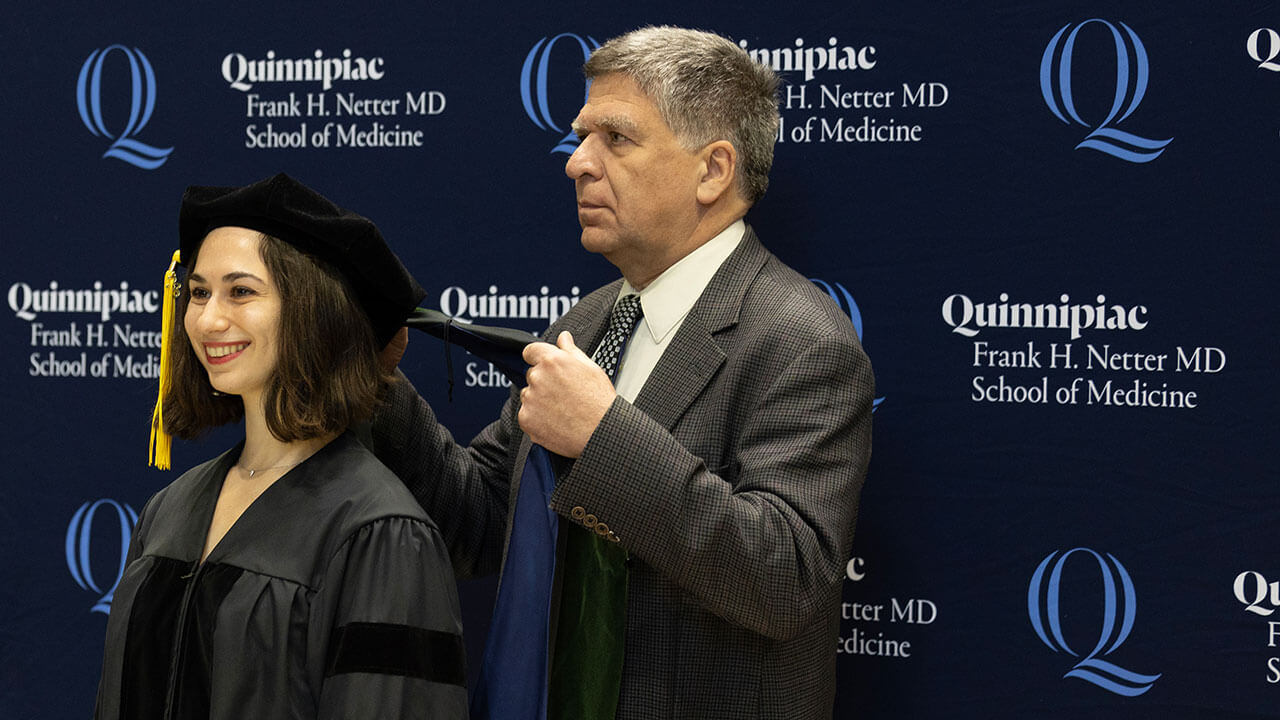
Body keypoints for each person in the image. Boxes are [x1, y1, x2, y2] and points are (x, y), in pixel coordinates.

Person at [371, 26, 873, 720]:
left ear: (713, 170)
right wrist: (373, 386)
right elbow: (482, 521)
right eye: (581, 137)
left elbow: (784, 580)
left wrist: (602, 435)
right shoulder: (588, 323)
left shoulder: (800, 340)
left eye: (616, 138)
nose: (577, 163)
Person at [94, 173, 468, 720]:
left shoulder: (380, 533)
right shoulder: (169, 510)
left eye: (240, 291)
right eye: (199, 293)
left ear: (313, 310)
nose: (208, 319)